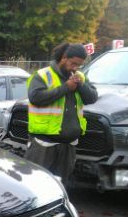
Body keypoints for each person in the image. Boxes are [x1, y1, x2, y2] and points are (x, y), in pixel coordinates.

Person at [26, 42, 98, 182]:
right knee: (37, 183)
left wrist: (80, 85)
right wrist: (66, 88)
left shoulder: (79, 77)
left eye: (79, 65)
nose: (75, 67)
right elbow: (36, 98)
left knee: (61, 186)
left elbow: (92, 97)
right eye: (73, 63)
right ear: (64, 58)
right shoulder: (43, 75)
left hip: (68, 144)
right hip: (44, 144)